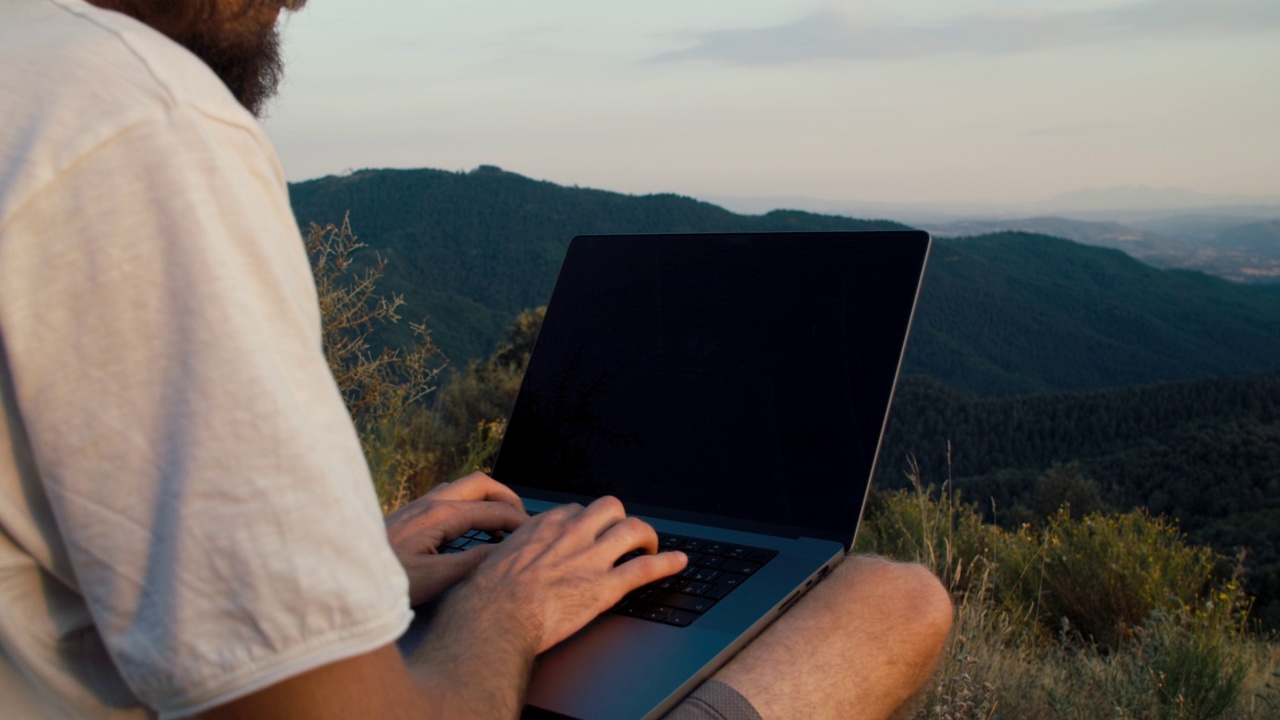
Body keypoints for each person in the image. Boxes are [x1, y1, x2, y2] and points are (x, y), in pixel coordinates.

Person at [0, 1, 954, 717]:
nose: (294, 2)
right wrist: (503, 608)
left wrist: (342, 578)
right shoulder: (134, 114)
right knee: (891, 597)